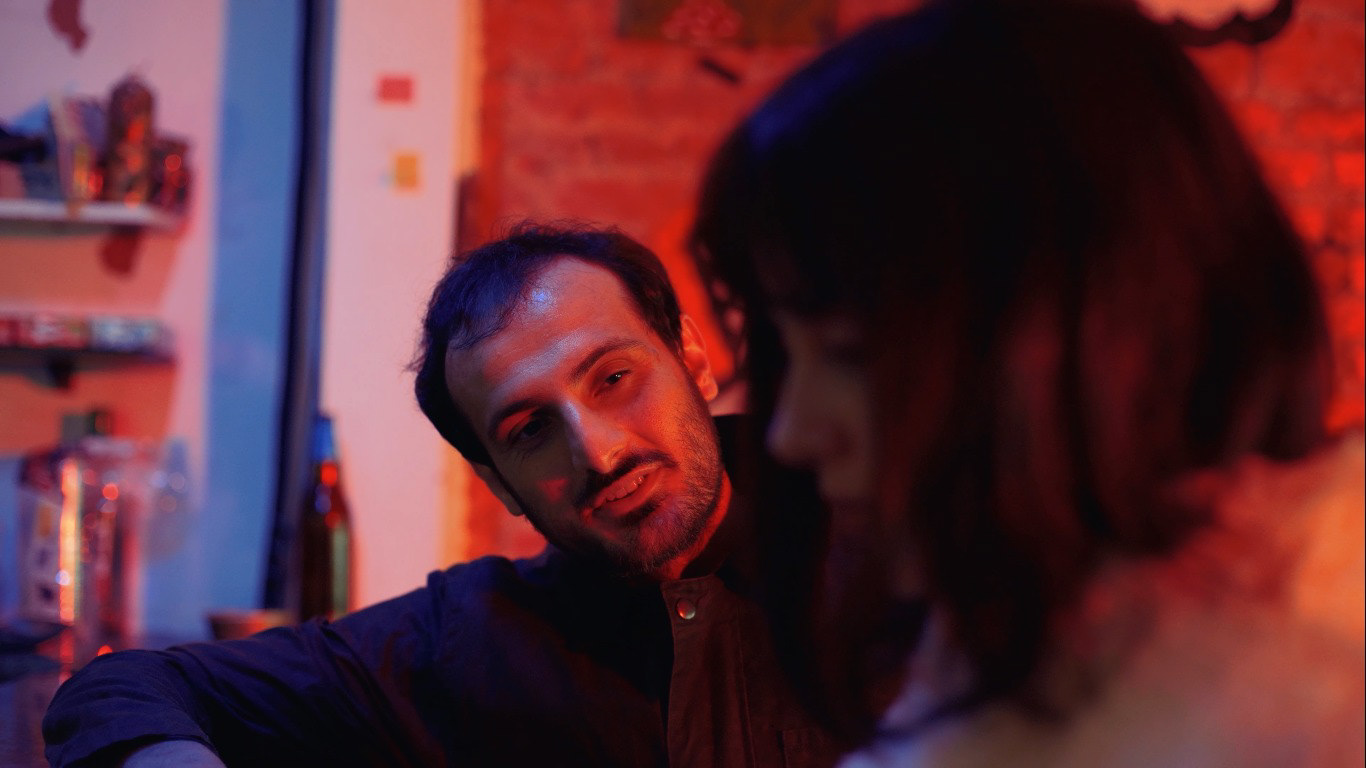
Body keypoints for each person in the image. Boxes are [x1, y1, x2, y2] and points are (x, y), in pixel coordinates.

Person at [690, 0, 1365, 765]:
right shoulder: (1013, 660)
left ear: (1097, 328)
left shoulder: (1319, 695)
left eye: (849, 354)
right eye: (787, 353)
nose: (791, 432)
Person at [43, 225, 841, 767]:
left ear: (691, 358)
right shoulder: (473, 638)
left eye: (614, 378)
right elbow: (121, 689)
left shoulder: (880, 549)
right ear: (498, 481)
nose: (598, 452)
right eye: (530, 430)